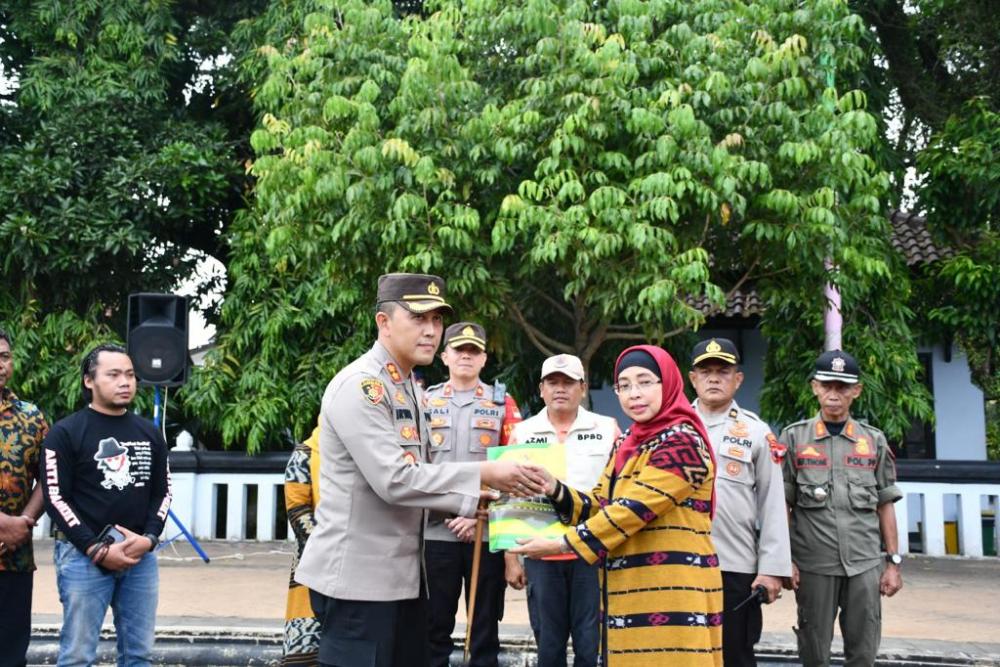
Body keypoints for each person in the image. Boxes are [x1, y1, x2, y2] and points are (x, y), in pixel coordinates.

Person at [294, 273, 547, 667]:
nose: (431, 331)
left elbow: (422, 471)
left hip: (404, 580)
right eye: (418, 318)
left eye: (437, 319)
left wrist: (476, 501)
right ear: (383, 322)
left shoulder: (408, 387)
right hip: (359, 583)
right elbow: (395, 480)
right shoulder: (362, 387)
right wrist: (482, 474)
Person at [512, 345, 722, 667]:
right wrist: (553, 487)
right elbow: (600, 505)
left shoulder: (683, 442)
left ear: (668, 383)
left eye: (645, 382)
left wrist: (560, 544)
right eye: (624, 385)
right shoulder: (628, 443)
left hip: (673, 592)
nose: (634, 393)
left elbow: (632, 511)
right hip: (628, 593)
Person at [42, 343, 172, 667]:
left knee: (139, 655)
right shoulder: (64, 433)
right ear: (89, 380)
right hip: (82, 558)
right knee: (77, 656)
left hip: (139, 557)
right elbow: (55, 498)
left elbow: (163, 493)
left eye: (130, 375)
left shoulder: (150, 434)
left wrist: (149, 539)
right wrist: (95, 549)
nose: (125, 382)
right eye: (113, 375)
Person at [780, 349, 903, 667]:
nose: (834, 394)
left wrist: (893, 563)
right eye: (827, 385)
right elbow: (783, 505)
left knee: (864, 651)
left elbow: (885, 504)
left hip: (864, 565)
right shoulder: (794, 438)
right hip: (813, 565)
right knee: (813, 650)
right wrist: (784, 560)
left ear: (856, 390)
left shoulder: (873, 441)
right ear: (815, 387)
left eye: (842, 387)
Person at [503, 353, 618, 667]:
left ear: (583, 387)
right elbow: (509, 499)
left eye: (568, 382)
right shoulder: (523, 433)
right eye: (552, 382)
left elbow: (619, 493)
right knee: (548, 647)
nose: (560, 389)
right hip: (541, 556)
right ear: (541, 389)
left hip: (592, 554)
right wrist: (511, 558)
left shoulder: (607, 429)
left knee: (591, 646)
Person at [423, 322, 523, 667]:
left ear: (484, 358)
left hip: (485, 530)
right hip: (436, 532)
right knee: (432, 627)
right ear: (444, 356)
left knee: (483, 631)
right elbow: (414, 467)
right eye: (459, 350)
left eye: (474, 351)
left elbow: (514, 468)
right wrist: (456, 510)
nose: (466, 356)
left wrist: (476, 513)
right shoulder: (425, 402)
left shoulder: (502, 404)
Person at [688, 338, 792, 667]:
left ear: (738, 379)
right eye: (706, 371)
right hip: (680, 564)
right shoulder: (675, 427)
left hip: (735, 566)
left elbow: (773, 503)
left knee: (735, 655)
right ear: (693, 379)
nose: (713, 378)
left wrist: (772, 570)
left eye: (723, 371)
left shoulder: (756, 432)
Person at [0, 328, 50, 667]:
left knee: (10, 654)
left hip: (14, 556)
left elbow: (50, 477)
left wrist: (23, 523)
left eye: (4, 357)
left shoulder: (31, 417)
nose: (0, 364)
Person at [282, 425, 322, 666]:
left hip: (355, 567)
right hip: (312, 560)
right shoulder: (304, 454)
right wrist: (328, 546)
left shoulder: (361, 451)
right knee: (307, 649)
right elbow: (297, 511)